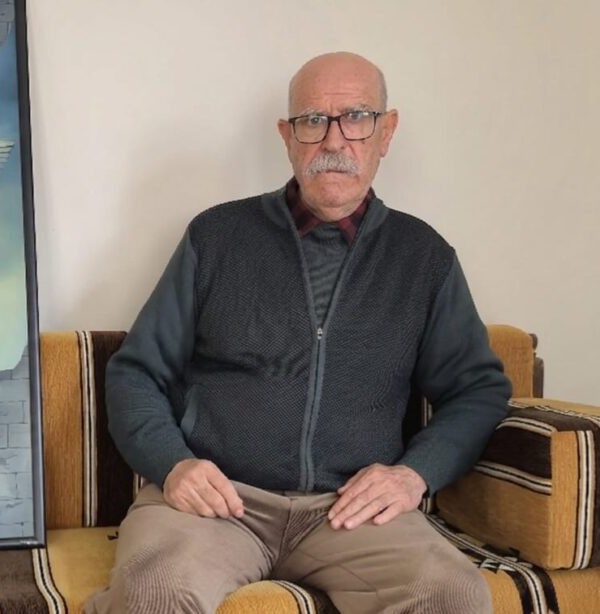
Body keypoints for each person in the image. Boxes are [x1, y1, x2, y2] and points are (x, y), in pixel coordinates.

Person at [86, 52, 511, 614]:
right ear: (287, 137)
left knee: (451, 595)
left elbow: (478, 391)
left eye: (356, 117)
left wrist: (414, 475)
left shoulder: (424, 258)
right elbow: (136, 372)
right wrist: (173, 464)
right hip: (220, 503)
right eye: (313, 120)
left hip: (351, 513)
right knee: (155, 592)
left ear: (387, 132)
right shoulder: (215, 237)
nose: (334, 140)